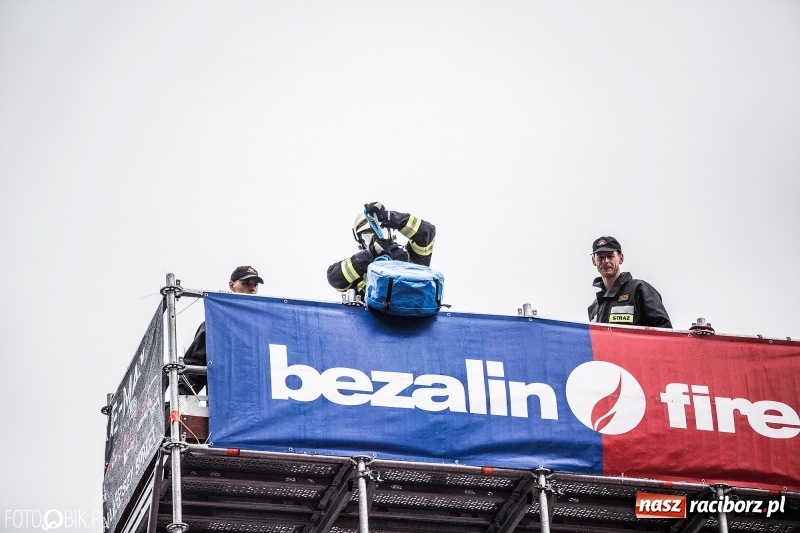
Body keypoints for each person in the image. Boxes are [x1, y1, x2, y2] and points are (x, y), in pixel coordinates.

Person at [179, 266, 264, 394]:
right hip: (228, 402)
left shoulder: (264, 324)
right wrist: (179, 400)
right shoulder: (216, 324)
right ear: (231, 285)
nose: (252, 288)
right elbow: (194, 368)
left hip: (264, 400)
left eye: (255, 285)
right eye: (246, 283)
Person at [327, 202, 436, 297]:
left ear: (388, 231)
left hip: (409, 318)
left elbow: (426, 232)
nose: (375, 238)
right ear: (361, 241)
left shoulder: (410, 257)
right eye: (367, 235)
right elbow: (334, 278)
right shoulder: (360, 267)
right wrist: (370, 255)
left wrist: (388, 217)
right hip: (369, 319)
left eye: (377, 230)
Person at [588, 236, 672, 328]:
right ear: (593, 261)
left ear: (621, 258)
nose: (606, 261)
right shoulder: (594, 307)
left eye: (610, 256)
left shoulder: (639, 289)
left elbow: (664, 330)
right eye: (600, 257)